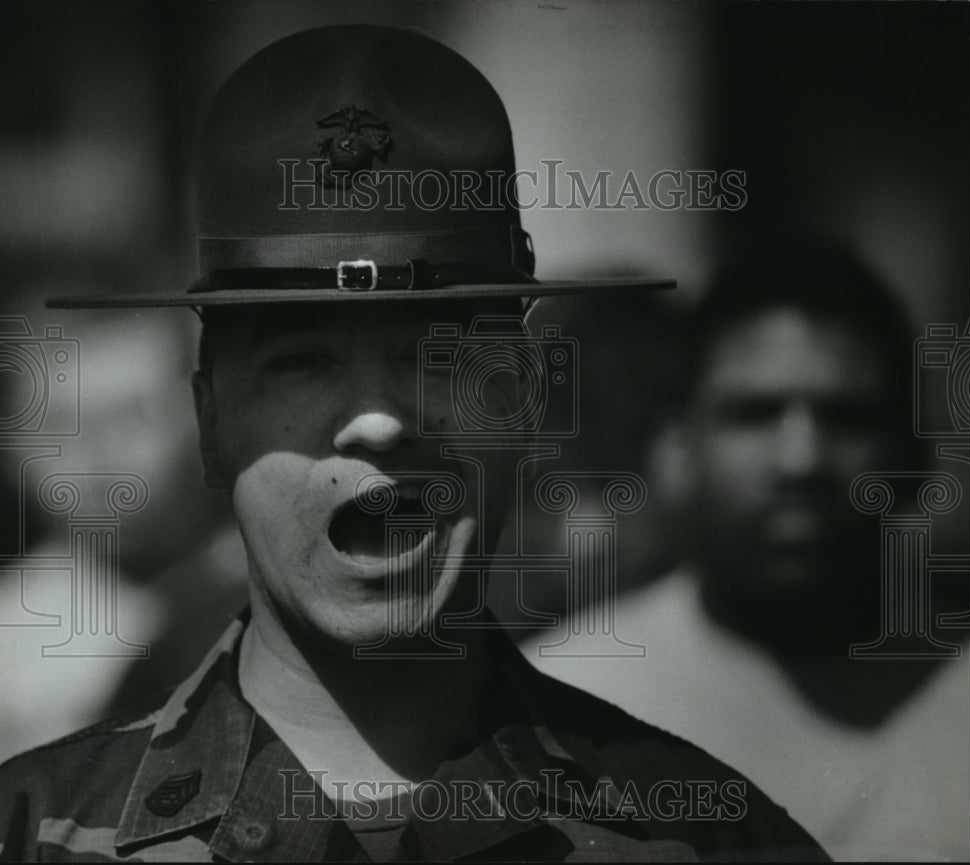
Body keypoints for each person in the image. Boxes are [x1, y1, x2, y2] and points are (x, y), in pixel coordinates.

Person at [0, 27, 826, 862]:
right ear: (211, 423)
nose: (380, 420)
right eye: (304, 361)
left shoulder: (712, 839)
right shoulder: (34, 831)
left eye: (440, 356)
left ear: (528, 400)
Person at [522, 240, 970, 861]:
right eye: (754, 414)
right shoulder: (553, 709)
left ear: (914, 454)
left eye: (848, 417)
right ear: (678, 445)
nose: (801, 461)